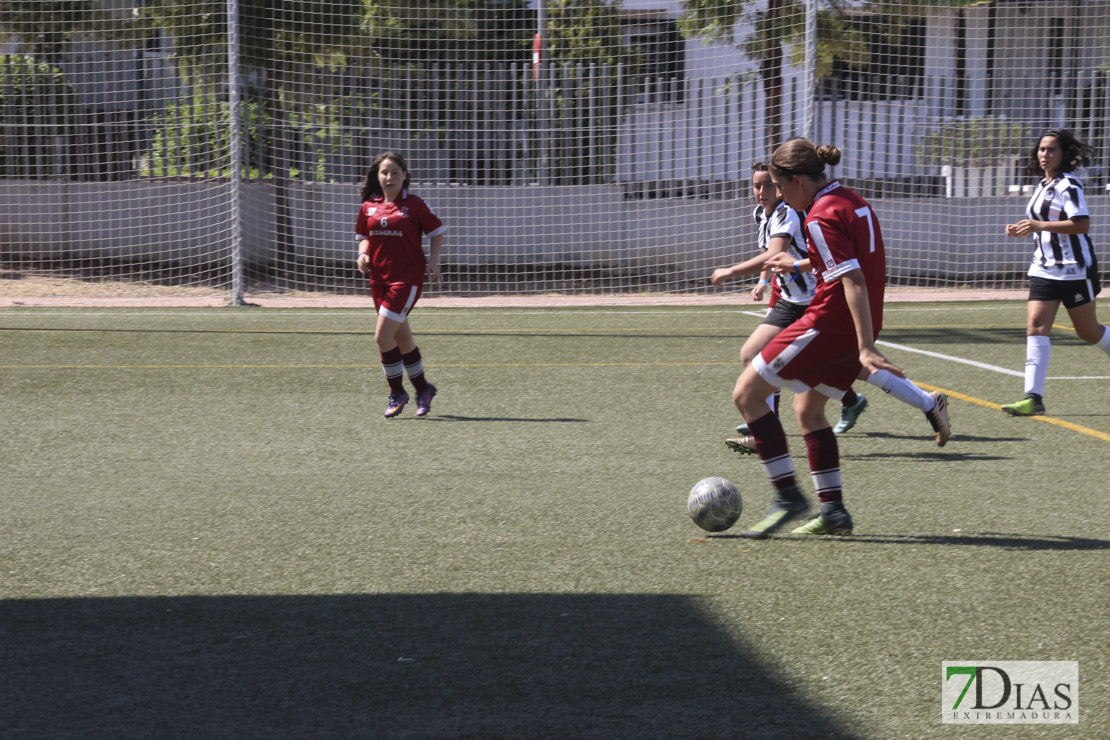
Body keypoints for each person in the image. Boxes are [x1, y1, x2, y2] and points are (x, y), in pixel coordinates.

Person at [732, 139, 909, 539]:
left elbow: (853, 278)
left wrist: (864, 347)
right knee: (809, 412)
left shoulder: (818, 216)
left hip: (828, 324)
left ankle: (788, 496)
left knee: (746, 395)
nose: (776, 195)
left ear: (796, 181)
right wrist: (798, 262)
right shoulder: (848, 198)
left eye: (778, 187)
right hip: (858, 323)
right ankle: (833, 511)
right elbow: (849, 258)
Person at [714, 165, 950, 453]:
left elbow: (778, 252)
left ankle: (924, 402)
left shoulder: (793, 212)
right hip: (790, 301)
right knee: (754, 356)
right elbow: (788, 258)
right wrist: (767, 279)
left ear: (787, 184)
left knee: (845, 377)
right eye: (757, 185)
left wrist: (731, 271)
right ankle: (770, 432)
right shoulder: (766, 214)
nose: (762, 192)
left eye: (769, 185)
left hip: (815, 302)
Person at [1002, 129, 1110, 416]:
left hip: (1075, 270)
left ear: (1064, 155)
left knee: (1089, 332)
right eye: (1041, 149)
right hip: (1044, 269)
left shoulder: (1069, 185)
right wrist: (1023, 229)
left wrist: (1038, 226)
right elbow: (1043, 224)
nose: (1044, 155)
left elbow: (1081, 224)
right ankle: (1033, 398)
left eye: (1051, 150)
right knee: (1035, 327)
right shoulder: (1042, 185)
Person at [355, 152, 446, 418]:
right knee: (402, 341)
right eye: (385, 172)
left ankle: (397, 392)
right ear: (377, 176)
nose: (389, 177)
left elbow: (437, 231)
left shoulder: (415, 205)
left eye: (395, 172)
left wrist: (435, 261)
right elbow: (363, 236)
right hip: (379, 279)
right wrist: (363, 254)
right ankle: (423, 389)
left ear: (404, 175)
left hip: (406, 280)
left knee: (382, 337)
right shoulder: (369, 206)